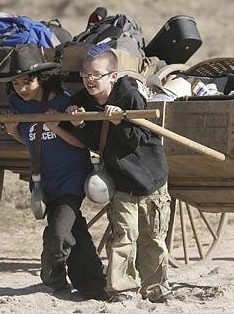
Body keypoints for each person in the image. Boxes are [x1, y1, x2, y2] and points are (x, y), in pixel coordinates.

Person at [0, 49, 109, 301]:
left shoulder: (64, 103)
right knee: (73, 229)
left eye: (27, 82)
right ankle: (93, 285)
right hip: (42, 180)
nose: (22, 88)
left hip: (71, 177)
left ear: (42, 78)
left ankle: (53, 280)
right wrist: (12, 128)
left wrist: (56, 126)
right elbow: (29, 138)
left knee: (57, 235)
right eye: (16, 83)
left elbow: (81, 144)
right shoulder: (16, 104)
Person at [66, 43, 172, 303]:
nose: (90, 80)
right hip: (122, 182)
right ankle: (123, 291)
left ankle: (156, 290)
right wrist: (78, 125)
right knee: (123, 237)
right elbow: (93, 142)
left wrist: (118, 122)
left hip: (151, 179)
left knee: (153, 240)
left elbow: (136, 140)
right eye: (86, 75)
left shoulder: (130, 96)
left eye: (96, 75)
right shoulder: (82, 101)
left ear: (113, 76)